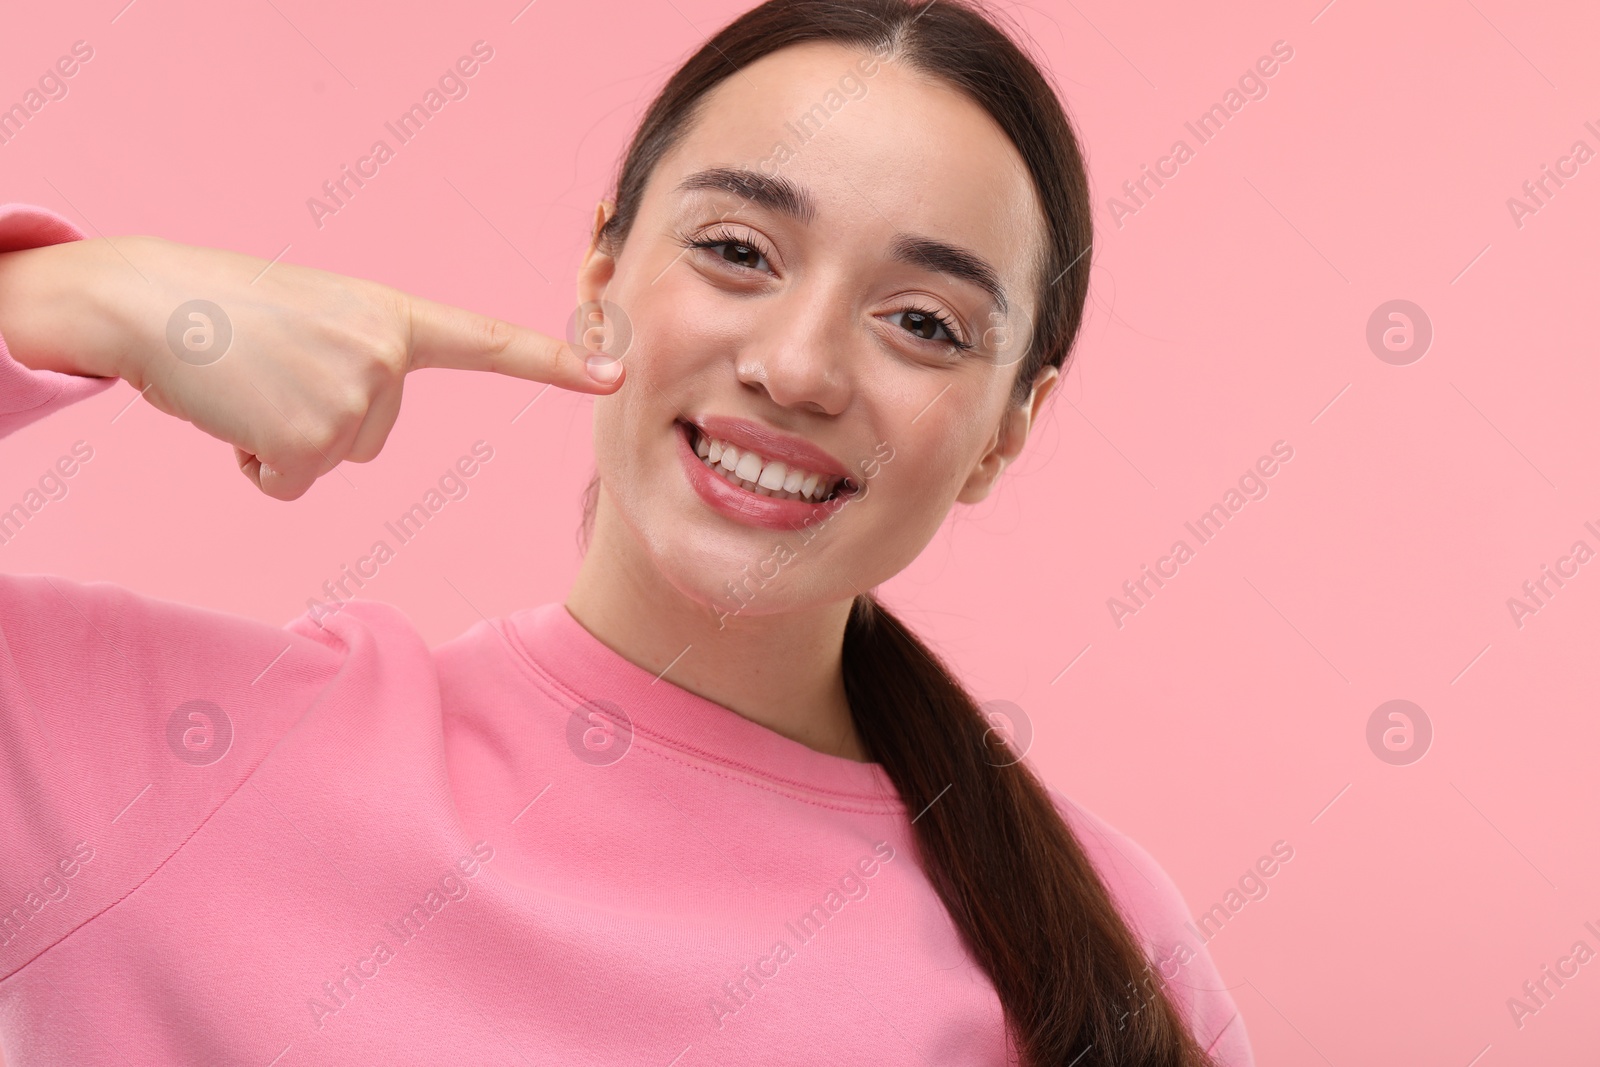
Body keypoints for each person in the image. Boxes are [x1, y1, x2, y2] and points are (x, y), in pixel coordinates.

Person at [0, 0, 1253, 1063]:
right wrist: (72, 293)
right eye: (736, 250)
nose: (797, 365)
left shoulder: (1098, 941)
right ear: (601, 276)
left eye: (923, 322)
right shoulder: (163, 764)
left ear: (1003, 430)